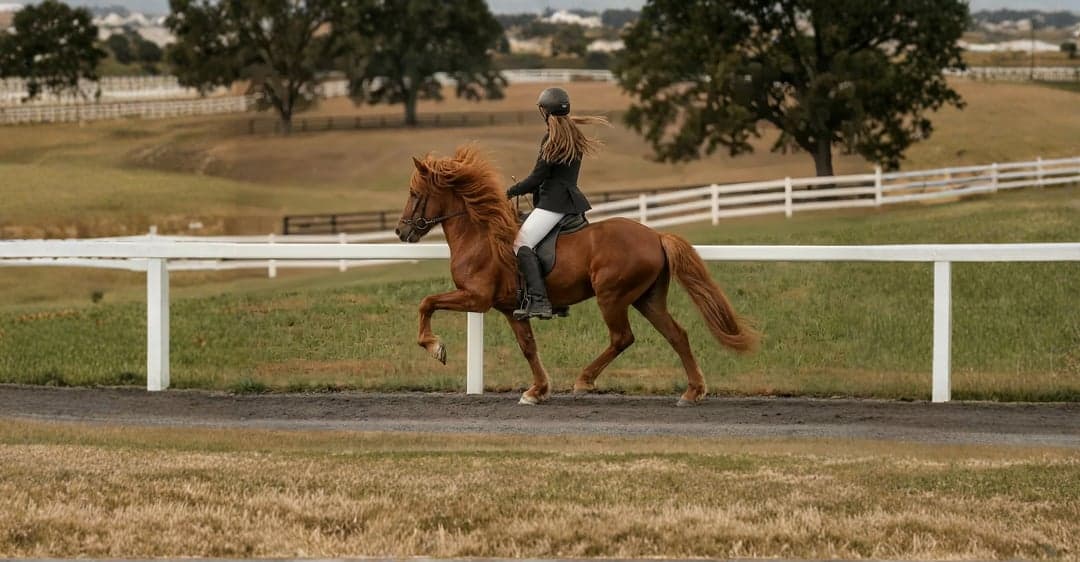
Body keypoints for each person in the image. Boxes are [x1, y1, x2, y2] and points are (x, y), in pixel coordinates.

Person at [506, 87, 609, 320]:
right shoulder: (573, 135)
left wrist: (509, 192)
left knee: (520, 244)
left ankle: (541, 302)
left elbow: (538, 177)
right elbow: (550, 177)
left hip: (553, 205)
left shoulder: (552, 138)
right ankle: (559, 300)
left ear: (545, 112)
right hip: (570, 202)